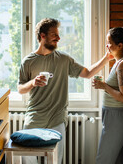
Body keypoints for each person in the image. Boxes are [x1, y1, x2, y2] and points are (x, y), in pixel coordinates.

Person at [18, 18, 112, 164]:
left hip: (57, 118)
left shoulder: (63, 59)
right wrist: (33, 82)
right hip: (34, 117)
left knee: (55, 159)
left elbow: (87, 73)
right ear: (42, 36)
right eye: (54, 34)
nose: (59, 38)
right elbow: (20, 89)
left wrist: (106, 58)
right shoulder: (28, 61)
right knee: (27, 156)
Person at [92, 24, 123, 164]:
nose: (107, 46)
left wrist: (104, 86)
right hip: (112, 115)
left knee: (103, 160)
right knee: (115, 160)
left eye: (109, 43)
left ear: (120, 45)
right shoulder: (118, 63)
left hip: (117, 116)